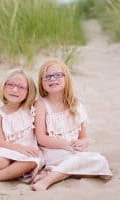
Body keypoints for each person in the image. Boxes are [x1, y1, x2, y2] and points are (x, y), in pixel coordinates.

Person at [31, 59, 112, 191]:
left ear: (66, 78)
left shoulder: (75, 104)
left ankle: (54, 172)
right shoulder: (41, 104)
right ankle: (46, 181)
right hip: (52, 152)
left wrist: (82, 143)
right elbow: (41, 138)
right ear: (42, 82)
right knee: (78, 159)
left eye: (58, 75)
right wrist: (66, 144)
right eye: (48, 76)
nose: (53, 79)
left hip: (74, 152)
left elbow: (84, 137)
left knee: (100, 160)